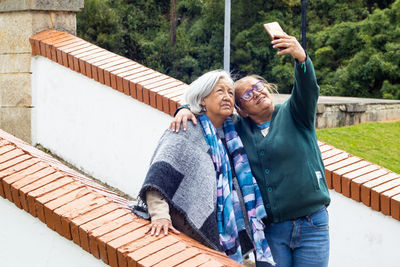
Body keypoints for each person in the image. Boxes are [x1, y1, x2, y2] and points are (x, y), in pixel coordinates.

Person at [171, 33, 331, 267]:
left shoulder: (295, 113)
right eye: (247, 94)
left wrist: (301, 59)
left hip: (312, 225)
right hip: (272, 231)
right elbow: (210, 112)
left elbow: (308, 89)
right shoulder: (236, 129)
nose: (256, 93)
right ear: (241, 110)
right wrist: (184, 108)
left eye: (258, 87)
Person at [136, 70, 275, 265]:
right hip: (188, 233)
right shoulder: (186, 128)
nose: (227, 97)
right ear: (202, 99)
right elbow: (160, 174)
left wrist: (184, 107)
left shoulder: (232, 132)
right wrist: (160, 216)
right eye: (220, 91)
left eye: (230, 93)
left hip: (227, 236)